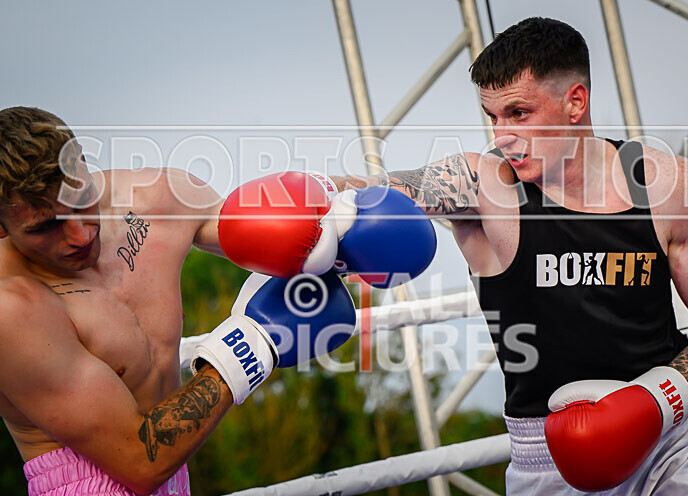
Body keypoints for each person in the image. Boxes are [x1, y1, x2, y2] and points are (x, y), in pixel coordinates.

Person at [332, 17, 688, 495]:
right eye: (493, 117)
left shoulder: (664, 185)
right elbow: (377, 192)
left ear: (575, 102)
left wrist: (655, 398)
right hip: (547, 460)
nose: (502, 136)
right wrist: (318, 194)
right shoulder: (485, 186)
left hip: (670, 443)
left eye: (519, 113)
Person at [0, 106, 435, 495]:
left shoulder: (157, 199)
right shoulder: (14, 309)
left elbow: (261, 228)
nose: (80, 234)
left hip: (180, 478)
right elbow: (140, 460)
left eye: (80, 202)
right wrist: (248, 349)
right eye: (44, 227)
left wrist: (342, 217)